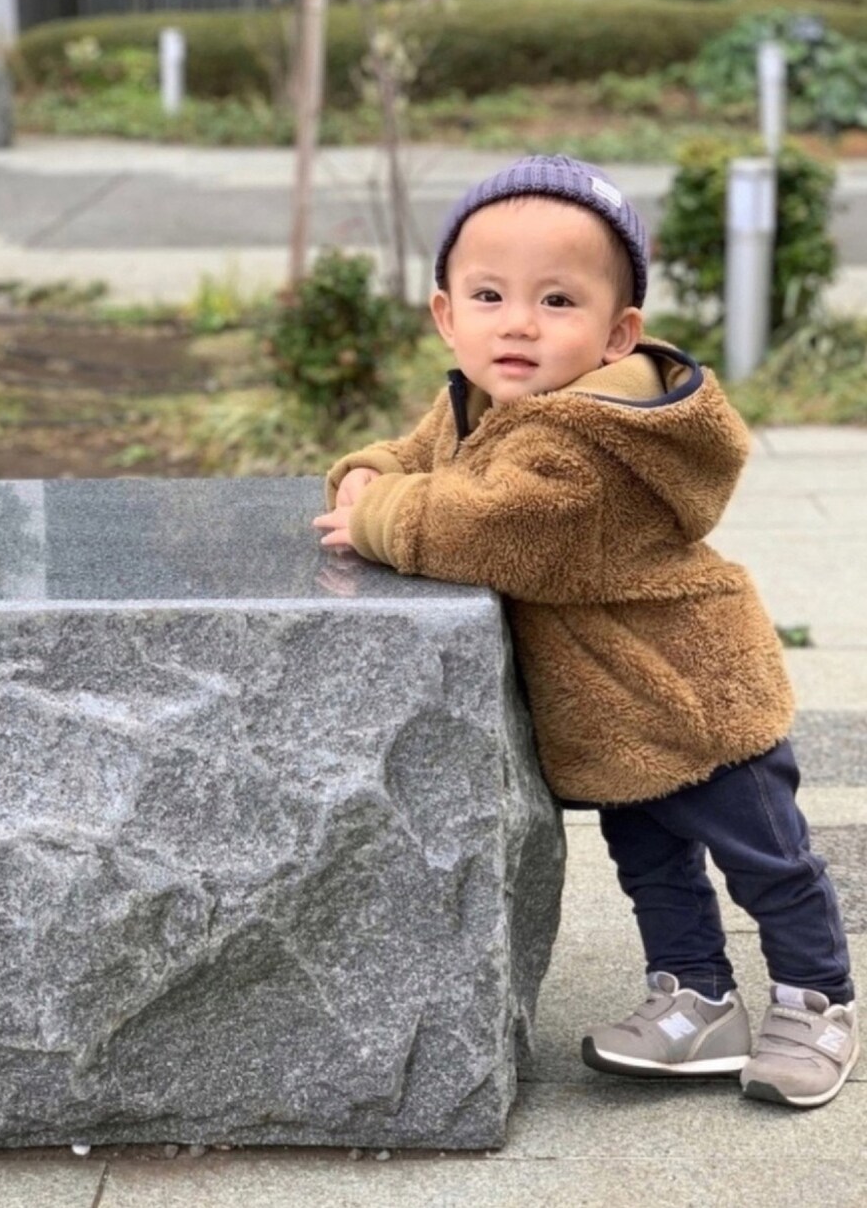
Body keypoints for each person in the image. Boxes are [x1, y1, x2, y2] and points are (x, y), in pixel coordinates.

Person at [312, 153, 858, 1109]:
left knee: (769, 863)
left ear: (617, 335)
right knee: (651, 864)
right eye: (489, 296)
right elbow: (418, 456)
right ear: (447, 315)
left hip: (693, 694)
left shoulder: (590, 440)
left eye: (557, 301)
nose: (518, 323)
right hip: (610, 711)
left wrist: (384, 516)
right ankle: (696, 999)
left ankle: (818, 1002)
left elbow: (500, 527)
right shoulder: (481, 400)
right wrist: (370, 473)